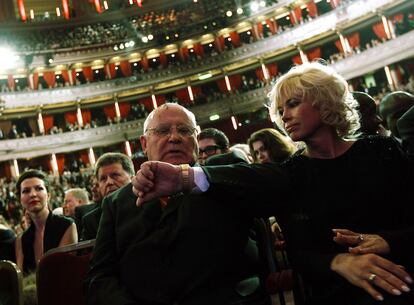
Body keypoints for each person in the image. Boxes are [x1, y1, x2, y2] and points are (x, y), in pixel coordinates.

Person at [133, 63, 414, 305]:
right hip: (336, 292)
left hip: (405, 276)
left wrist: (388, 241)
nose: (285, 115)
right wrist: (338, 262)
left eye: (293, 103)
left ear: (324, 99)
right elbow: (299, 253)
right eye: (281, 109)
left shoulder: (382, 151)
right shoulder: (290, 174)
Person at [84, 103, 270, 305]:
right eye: (162, 131)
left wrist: (188, 178)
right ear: (144, 144)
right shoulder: (116, 203)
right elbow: (100, 277)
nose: (174, 137)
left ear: (196, 140)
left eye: (184, 130)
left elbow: (275, 186)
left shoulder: (222, 174)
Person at [15, 169, 77, 274]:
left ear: (48, 195)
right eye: (26, 191)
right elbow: (21, 280)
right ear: (20, 200)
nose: (33, 194)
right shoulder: (21, 239)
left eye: (39, 188)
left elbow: (64, 271)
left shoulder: (66, 225)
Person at [80, 152, 134, 241]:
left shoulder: (149, 206)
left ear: (132, 178)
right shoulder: (91, 221)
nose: (109, 182)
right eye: (103, 179)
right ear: (98, 185)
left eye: (115, 175)